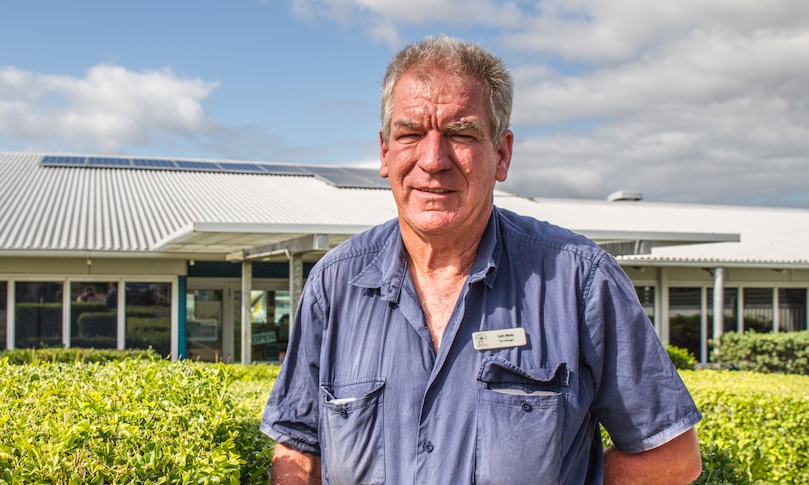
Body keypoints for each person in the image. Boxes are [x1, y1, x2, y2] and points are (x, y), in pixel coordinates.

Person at [260, 35, 703, 484]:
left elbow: (671, 458)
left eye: (461, 134)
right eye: (411, 134)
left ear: (502, 154)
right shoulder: (334, 286)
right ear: (385, 153)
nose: (433, 160)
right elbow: (298, 448)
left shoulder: (579, 281)